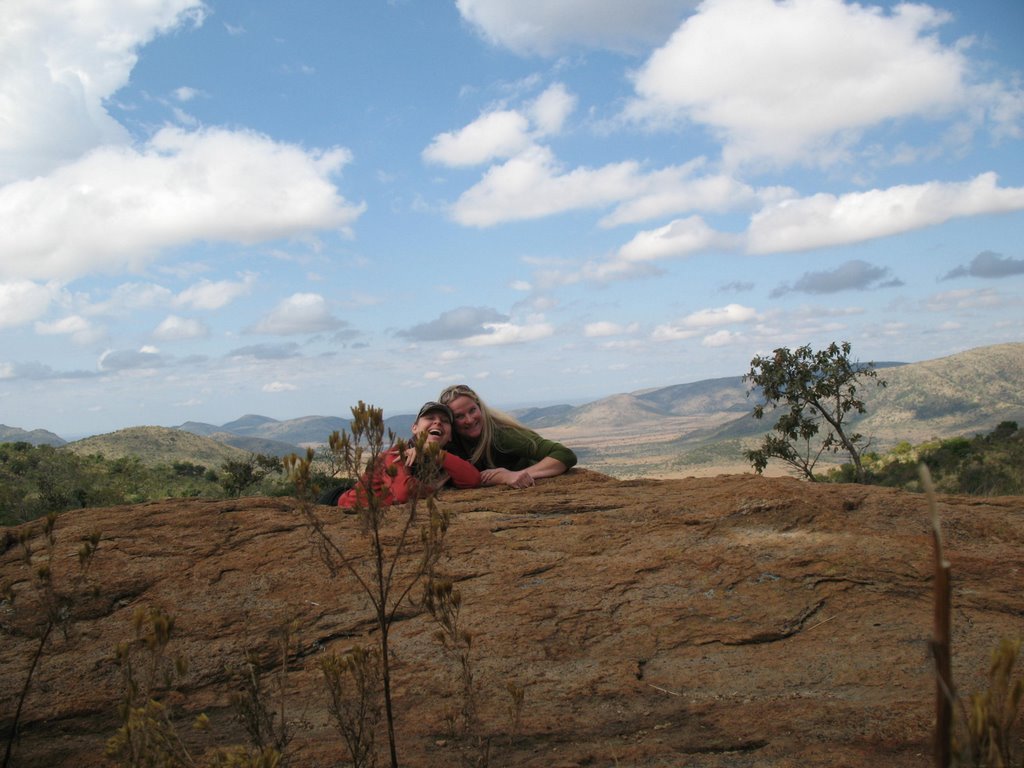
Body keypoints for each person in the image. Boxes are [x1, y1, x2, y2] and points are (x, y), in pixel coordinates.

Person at [336, 401, 481, 509]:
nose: (437, 422)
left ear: (450, 436)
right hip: (345, 506)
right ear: (415, 428)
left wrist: (436, 453)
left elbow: (472, 479)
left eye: (444, 421)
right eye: (430, 418)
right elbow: (402, 493)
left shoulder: (446, 457)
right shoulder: (397, 453)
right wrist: (432, 488)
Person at [437, 384, 577, 489]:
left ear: (480, 408)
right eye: (459, 416)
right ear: (450, 421)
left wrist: (517, 474)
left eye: (472, 410)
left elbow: (564, 454)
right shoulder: (450, 442)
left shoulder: (501, 435)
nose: (469, 419)